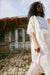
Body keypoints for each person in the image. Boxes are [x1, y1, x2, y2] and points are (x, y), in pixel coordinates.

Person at [27, 1, 50, 75]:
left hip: (47, 42)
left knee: (47, 60)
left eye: (41, 6)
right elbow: (32, 32)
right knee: (40, 61)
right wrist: (36, 44)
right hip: (39, 42)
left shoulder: (45, 20)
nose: (40, 8)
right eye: (38, 6)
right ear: (35, 8)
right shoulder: (33, 18)